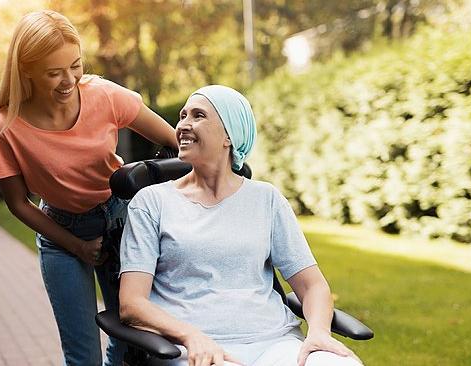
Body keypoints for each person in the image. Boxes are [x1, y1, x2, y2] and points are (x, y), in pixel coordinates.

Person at [0, 10, 177, 366]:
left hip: (121, 223)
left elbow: (173, 142)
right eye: (53, 72)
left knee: (134, 342)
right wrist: (76, 245)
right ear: (25, 70)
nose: (68, 80)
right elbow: (18, 204)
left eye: (75, 65)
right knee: (82, 356)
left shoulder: (104, 95)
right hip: (61, 235)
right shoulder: (3, 127)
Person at [118, 85, 363, 366]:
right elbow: (131, 303)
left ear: (229, 136)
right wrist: (189, 335)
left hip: (276, 343)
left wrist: (318, 333)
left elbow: (312, 285)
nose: (183, 125)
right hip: (197, 349)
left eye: (198, 116)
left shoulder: (266, 199)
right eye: (183, 116)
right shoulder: (152, 202)